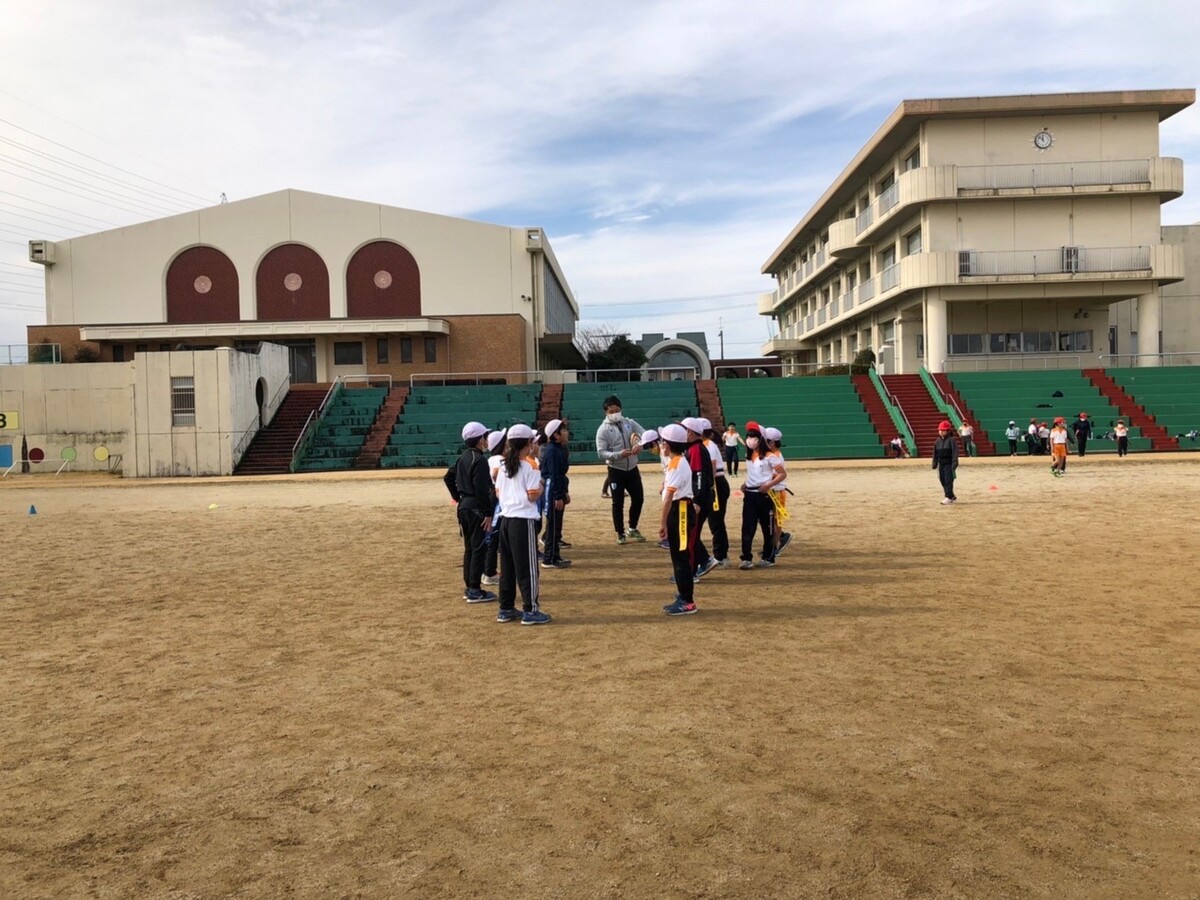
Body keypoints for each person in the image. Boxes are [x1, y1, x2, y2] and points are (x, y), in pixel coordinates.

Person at [494, 424, 552, 625]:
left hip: (506, 520)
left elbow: (498, 492)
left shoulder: (502, 466)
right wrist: (543, 485)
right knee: (528, 568)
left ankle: (506, 607)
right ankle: (531, 609)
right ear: (528, 443)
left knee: (508, 568)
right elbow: (533, 495)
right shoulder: (531, 466)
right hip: (523, 521)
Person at [446, 421, 496, 603]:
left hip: (464, 507)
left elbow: (448, 477)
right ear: (479, 439)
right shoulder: (480, 460)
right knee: (478, 548)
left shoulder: (463, 458)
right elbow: (482, 490)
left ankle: (470, 586)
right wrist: (488, 513)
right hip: (476, 509)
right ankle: (474, 588)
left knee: (469, 549)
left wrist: (458, 496)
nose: (487, 440)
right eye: (485, 437)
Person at [657, 424, 698, 616]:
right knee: (679, 556)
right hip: (681, 508)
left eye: (663, 442)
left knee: (680, 557)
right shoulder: (678, 461)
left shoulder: (676, 463)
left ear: (668, 444)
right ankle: (684, 595)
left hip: (679, 511)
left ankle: (687, 601)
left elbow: (668, 498)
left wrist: (662, 522)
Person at [596, 395, 647, 545]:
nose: (615, 413)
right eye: (611, 411)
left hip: (632, 468)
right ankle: (620, 532)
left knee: (638, 498)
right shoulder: (603, 430)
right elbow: (601, 452)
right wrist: (618, 455)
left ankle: (632, 527)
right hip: (615, 470)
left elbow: (645, 434)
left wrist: (639, 445)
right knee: (617, 503)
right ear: (606, 412)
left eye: (617, 410)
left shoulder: (629, 423)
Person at [738, 423, 786, 568]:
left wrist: (768, 485)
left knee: (767, 527)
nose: (750, 439)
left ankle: (768, 556)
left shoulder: (770, 456)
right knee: (747, 526)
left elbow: (782, 474)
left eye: (754, 436)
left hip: (764, 495)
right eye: (749, 436)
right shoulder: (749, 455)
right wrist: (746, 483)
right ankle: (746, 557)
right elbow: (753, 473)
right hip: (750, 495)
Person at [681, 417, 717, 578]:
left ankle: (691, 572)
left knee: (691, 537)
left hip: (700, 499)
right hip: (701, 497)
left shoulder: (695, 449)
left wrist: (696, 500)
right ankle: (704, 561)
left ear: (689, 432)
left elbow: (699, 475)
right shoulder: (693, 448)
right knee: (691, 534)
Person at [539, 419, 571, 569]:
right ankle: (549, 558)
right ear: (556, 435)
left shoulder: (558, 449)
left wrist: (564, 492)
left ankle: (555, 555)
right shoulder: (552, 451)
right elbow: (554, 474)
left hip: (557, 487)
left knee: (557, 523)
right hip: (553, 489)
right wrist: (558, 495)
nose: (566, 432)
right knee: (552, 523)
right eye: (563, 430)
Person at [702, 421, 731, 567]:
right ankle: (721, 554)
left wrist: (707, 486)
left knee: (716, 521)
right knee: (715, 521)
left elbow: (712, 468)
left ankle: (721, 556)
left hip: (716, 484)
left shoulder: (708, 446)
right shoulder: (706, 445)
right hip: (714, 483)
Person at [481, 429, 507, 587]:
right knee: (494, 537)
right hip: (497, 501)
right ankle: (489, 572)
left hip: (492, 499)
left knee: (491, 537)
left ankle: (488, 570)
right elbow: (496, 474)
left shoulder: (491, 459)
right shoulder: (499, 460)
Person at [763, 426, 792, 557]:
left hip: (777, 491)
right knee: (769, 519)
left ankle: (775, 546)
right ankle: (779, 538)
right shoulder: (773, 455)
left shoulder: (776, 456)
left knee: (776, 520)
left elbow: (776, 475)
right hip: (772, 490)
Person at [932, 420, 959, 505]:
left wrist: (955, 462)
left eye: (943, 430)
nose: (941, 432)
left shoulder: (951, 440)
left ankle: (948, 497)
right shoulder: (937, 441)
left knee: (948, 480)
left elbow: (955, 452)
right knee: (942, 480)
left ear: (948, 431)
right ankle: (951, 495)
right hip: (941, 464)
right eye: (940, 430)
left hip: (949, 463)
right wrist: (934, 463)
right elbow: (935, 453)